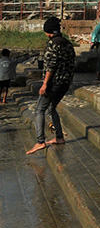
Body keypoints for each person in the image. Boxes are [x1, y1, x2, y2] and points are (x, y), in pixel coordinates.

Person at [26, 17, 75, 155]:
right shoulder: (67, 43)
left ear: (48, 32)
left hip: (54, 83)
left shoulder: (53, 43)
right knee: (51, 108)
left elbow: (51, 66)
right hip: (65, 82)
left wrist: (45, 84)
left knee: (39, 110)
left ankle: (40, 141)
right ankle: (59, 137)